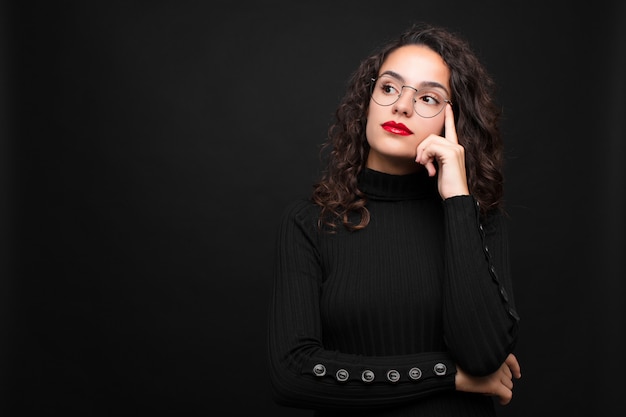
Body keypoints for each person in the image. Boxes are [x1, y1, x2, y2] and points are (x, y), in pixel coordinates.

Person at [267, 22, 521, 416]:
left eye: (428, 98)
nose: (402, 105)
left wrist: (457, 199)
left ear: (453, 123)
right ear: (367, 100)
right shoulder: (310, 223)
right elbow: (293, 373)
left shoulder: (478, 220)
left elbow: (484, 355)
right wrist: (447, 375)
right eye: (389, 88)